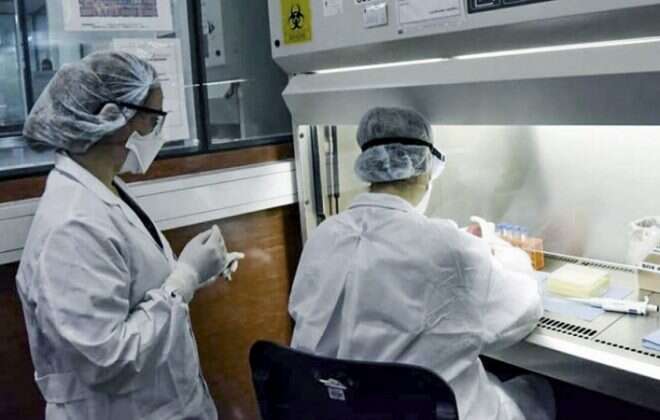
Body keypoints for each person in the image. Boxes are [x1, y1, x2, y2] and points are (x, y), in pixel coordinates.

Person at [16, 51, 243, 419]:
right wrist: (184, 278)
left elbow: (131, 287)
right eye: (153, 120)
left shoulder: (105, 189)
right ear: (113, 118)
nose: (159, 134)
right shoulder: (71, 226)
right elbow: (108, 359)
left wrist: (199, 271)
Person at [289, 107, 555, 420]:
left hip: (340, 410)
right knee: (539, 393)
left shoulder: (323, 236)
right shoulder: (448, 247)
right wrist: (505, 254)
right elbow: (523, 311)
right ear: (423, 169)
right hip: (429, 411)